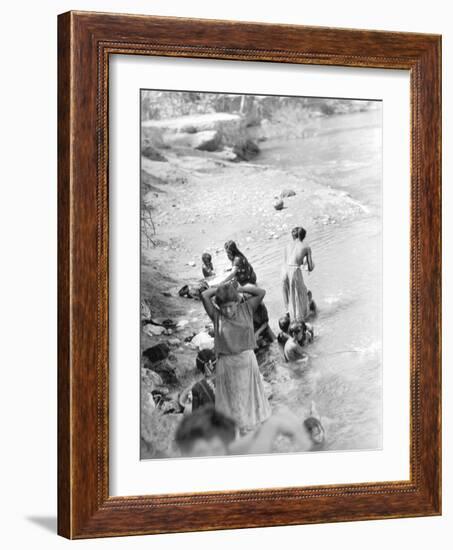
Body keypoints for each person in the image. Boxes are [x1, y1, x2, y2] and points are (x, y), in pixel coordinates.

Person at [201, 283, 271, 432]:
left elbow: (261, 292)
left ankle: (250, 428)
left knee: (250, 398)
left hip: (247, 361)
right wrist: (221, 289)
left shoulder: (247, 309)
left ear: (237, 302)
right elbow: (205, 295)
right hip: (227, 365)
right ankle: (238, 429)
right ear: (219, 306)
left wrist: (237, 289)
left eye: (231, 306)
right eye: (224, 307)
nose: (227, 310)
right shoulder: (216, 315)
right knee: (233, 401)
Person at [175, 405, 312, 457]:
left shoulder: (222, 457)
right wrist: (273, 424)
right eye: (201, 452)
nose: (211, 459)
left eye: (216, 450)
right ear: (185, 453)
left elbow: (233, 447)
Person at [282, 226, 315, 322]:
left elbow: (287, 262)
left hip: (284, 271)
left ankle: (288, 313)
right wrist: (308, 265)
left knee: (290, 295)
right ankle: (301, 320)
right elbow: (310, 267)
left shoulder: (287, 246)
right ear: (303, 236)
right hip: (294, 272)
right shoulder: (306, 247)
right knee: (300, 296)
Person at [180, 349, 216, 414]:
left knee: (187, 411)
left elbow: (195, 413)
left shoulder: (198, 387)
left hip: (218, 420)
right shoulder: (230, 372)